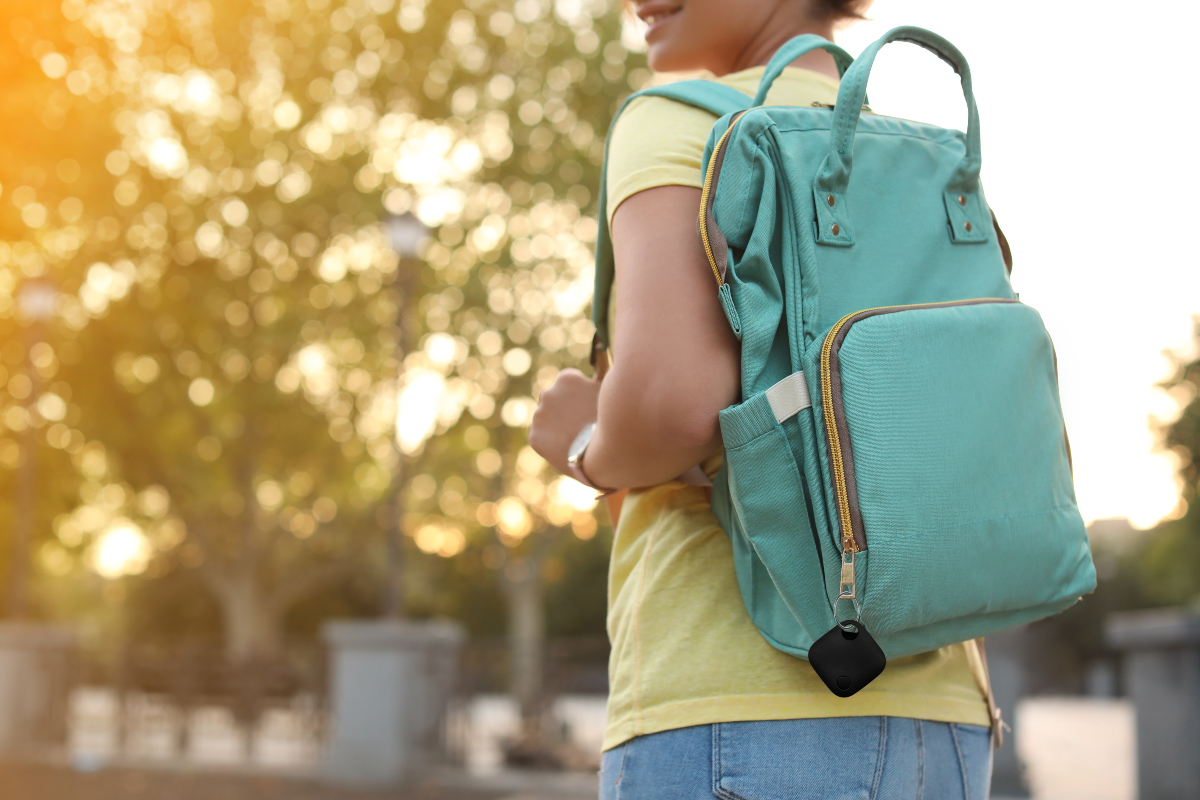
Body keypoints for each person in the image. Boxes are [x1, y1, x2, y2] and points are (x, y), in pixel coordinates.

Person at [529, 1, 995, 797]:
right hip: (946, 711)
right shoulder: (920, 157)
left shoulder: (679, 121)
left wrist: (585, 447)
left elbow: (675, 404)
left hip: (735, 698)